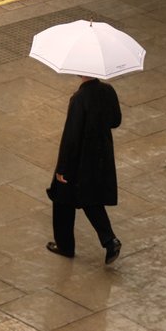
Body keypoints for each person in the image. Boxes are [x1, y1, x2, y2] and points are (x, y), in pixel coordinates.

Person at [46, 76, 122, 265]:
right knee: (91, 199)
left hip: (80, 160)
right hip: (102, 156)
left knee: (63, 198)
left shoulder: (79, 98)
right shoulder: (108, 90)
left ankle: (65, 246)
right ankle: (109, 240)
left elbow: (71, 135)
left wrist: (63, 167)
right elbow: (115, 121)